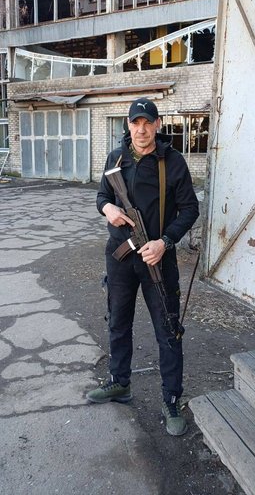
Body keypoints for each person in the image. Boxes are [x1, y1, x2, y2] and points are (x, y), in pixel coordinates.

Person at [86, 97, 199, 436]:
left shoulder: (173, 162)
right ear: (128, 125)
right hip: (120, 257)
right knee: (117, 322)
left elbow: (190, 209)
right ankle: (119, 382)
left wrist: (165, 242)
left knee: (168, 330)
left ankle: (171, 399)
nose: (141, 129)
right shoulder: (115, 158)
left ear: (158, 125)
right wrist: (107, 209)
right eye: (136, 123)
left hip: (157, 259)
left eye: (148, 122)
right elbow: (102, 196)